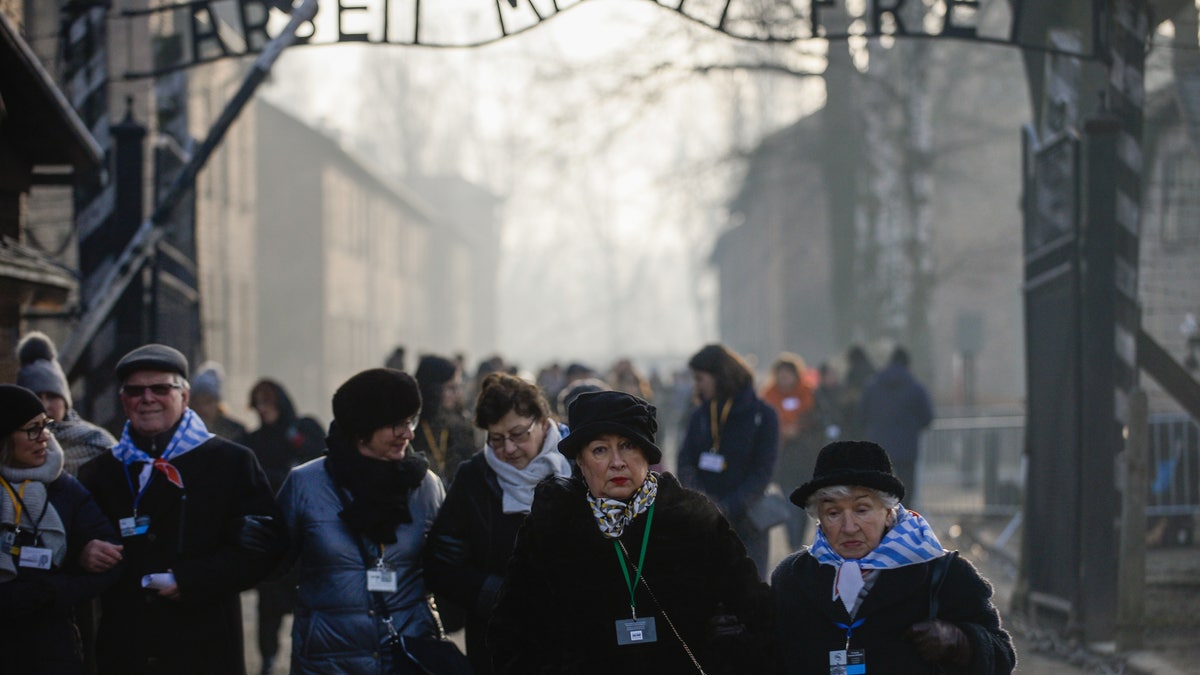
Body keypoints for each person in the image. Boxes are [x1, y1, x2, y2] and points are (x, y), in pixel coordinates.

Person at [489, 390, 777, 674]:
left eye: (627, 445)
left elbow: (754, 611)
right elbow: (511, 629)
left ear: (646, 452)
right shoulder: (553, 524)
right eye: (600, 449)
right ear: (580, 460)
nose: (617, 462)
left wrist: (726, 655)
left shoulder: (691, 517)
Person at [77, 343, 288, 675]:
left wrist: (192, 580)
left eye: (160, 388)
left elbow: (264, 550)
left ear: (184, 396)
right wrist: (85, 551)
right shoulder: (101, 471)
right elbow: (76, 539)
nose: (147, 398)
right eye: (135, 391)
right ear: (123, 400)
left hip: (205, 648)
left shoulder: (230, 462)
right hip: (125, 652)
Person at [771, 440, 1016, 673]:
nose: (849, 527)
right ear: (819, 518)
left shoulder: (943, 574)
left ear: (889, 513)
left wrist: (960, 641)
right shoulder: (792, 578)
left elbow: (1002, 658)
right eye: (833, 512)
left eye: (862, 509)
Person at [276, 368, 446, 673]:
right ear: (361, 429)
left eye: (411, 421)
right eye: (396, 424)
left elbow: (442, 570)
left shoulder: (426, 487)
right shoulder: (305, 485)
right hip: (328, 661)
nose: (408, 434)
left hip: (407, 657)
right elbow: (275, 566)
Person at [423, 371, 571, 674]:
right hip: (500, 644)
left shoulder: (575, 466)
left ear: (543, 423)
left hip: (571, 639)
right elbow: (442, 559)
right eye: (496, 439)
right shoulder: (475, 477)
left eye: (518, 435)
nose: (509, 449)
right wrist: (498, 595)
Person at [0, 385, 123, 674]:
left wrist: (52, 590)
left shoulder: (64, 487)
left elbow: (114, 558)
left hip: (52, 649)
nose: (44, 437)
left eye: (45, 426)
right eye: (32, 429)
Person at [242, 378, 325, 674]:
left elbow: (322, 461)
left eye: (268, 402)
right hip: (274, 535)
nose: (263, 410)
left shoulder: (305, 429)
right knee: (270, 603)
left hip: (308, 532)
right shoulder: (252, 442)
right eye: (259, 404)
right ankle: (268, 658)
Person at [677, 343, 779, 578]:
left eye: (700, 378)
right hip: (704, 525)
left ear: (720, 376)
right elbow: (685, 461)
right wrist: (702, 502)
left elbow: (763, 472)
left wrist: (728, 507)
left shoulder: (763, 416)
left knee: (749, 599)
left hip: (747, 525)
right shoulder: (699, 415)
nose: (697, 385)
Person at [16, 331, 116, 476]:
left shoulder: (97, 443)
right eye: (36, 398)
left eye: (52, 396)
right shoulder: (10, 447)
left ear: (65, 402)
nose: (44, 406)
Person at [857, 346, 934, 509]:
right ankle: (902, 523)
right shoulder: (915, 387)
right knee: (905, 491)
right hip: (907, 447)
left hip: (878, 446)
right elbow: (927, 417)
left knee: (880, 491)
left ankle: (881, 525)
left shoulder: (873, 386)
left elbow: (861, 415)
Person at [760, 352, 818, 549]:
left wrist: (799, 428)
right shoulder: (768, 396)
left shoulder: (808, 394)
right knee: (788, 503)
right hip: (782, 458)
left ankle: (799, 540)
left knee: (802, 504)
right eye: (780, 374)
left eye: (787, 374)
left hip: (805, 457)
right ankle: (793, 545)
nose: (784, 378)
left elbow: (816, 420)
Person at [412, 354, 476, 486]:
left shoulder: (461, 425)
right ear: (432, 388)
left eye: (458, 387)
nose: (457, 394)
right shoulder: (411, 427)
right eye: (451, 388)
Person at [189, 361, 248, 441]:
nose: (203, 408)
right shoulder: (184, 431)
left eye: (208, 402)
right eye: (197, 403)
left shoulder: (236, 431)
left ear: (217, 403)